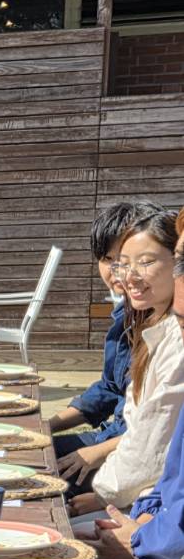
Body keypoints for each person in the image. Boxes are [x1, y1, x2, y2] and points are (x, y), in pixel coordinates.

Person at [70, 211, 184, 536]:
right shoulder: (151, 327)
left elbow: (154, 448)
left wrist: (103, 494)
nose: (128, 276)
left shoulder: (175, 338)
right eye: (121, 263)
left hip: (152, 513)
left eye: (145, 262)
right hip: (140, 498)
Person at [52, 201, 164, 490]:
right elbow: (109, 389)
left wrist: (96, 455)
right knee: (25, 453)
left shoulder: (168, 328)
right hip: (112, 439)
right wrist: (48, 425)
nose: (119, 271)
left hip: (137, 463)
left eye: (134, 260)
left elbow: (162, 434)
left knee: (35, 479)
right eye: (107, 258)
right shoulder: (126, 313)